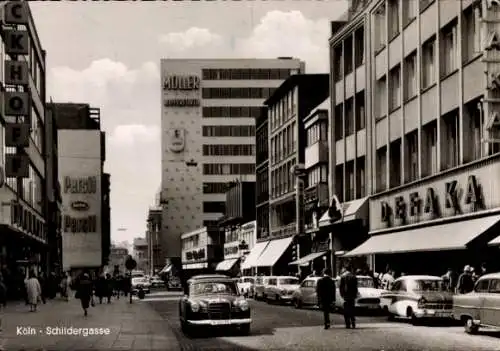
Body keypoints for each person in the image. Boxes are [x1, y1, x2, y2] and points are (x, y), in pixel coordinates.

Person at [339, 264, 358, 329]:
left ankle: (347, 324)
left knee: (346, 310)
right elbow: (355, 287)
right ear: (351, 269)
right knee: (352, 309)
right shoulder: (354, 277)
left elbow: (341, 287)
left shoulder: (343, 276)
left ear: (346, 269)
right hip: (352, 296)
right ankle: (353, 323)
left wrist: (342, 294)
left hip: (345, 296)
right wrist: (355, 295)